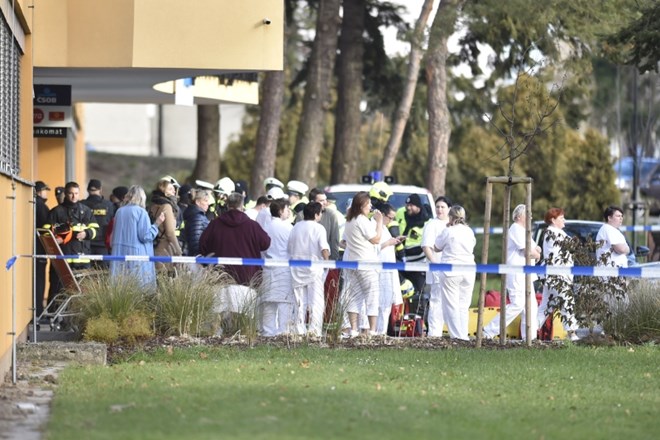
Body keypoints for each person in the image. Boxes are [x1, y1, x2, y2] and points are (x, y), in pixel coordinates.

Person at [483, 204, 541, 341]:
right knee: (517, 304)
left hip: (527, 274)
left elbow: (536, 249)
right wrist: (536, 252)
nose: (531, 217)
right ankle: (488, 331)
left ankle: (530, 339)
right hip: (517, 273)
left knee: (531, 307)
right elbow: (529, 251)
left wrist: (536, 252)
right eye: (529, 214)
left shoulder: (524, 231)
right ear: (519, 216)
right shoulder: (515, 229)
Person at [199, 192, 271, 285]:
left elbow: (203, 245)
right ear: (242, 206)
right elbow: (266, 243)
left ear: (227, 205)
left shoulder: (215, 224)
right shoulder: (252, 226)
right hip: (248, 278)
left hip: (220, 277)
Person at [342, 191, 382, 337]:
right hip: (366, 262)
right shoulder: (362, 220)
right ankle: (372, 330)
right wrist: (379, 222)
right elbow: (376, 239)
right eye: (369, 203)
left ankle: (353, 329)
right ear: (362, 204)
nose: (371, 206)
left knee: (354, 296)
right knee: (372, 295)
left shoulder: (349, 219)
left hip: (352, 262)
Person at [287, 202, 330, 336]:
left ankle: (298, 330)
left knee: (299, 302)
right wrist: (327, 262)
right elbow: (324, 248)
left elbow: (289, 247)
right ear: (317, 214)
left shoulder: (295, 227)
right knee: (316, 302)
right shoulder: (319, 228)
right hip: (314, 269)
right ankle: (314, 331)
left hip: (296, 268)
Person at [433, 205, 476, 340]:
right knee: (464, 306)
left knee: (451, 306)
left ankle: (457, 337)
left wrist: (447, 228)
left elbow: (436, 247)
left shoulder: (449, 231)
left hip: (451, 271)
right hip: (468, 271)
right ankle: (464, 335)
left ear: (451, 217)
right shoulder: (469, 231)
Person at [537, 207, 579, 341]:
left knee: (545, 307)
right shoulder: (554, 234)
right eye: (561, 218)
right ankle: (572, 334)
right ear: (553, 220)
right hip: (558, 276)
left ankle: (530, 331)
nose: (564, 220)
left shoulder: (556, 232)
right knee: (567, 302)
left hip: (553, 276)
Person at [110, 185, 165, 288]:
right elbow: (145, 236)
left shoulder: (119, 211)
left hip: (119, 254)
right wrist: (157, 224)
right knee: (138, 289)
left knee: (121, 287)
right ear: (142, 198)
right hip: (137, 256)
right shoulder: (141, 212)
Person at [261, 199, 295, 336]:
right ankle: (283, 331)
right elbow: (293, 248)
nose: (288, 212)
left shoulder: (265, 228)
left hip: (267, 268)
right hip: (284, 268)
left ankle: (268, 331)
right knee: (284, 302)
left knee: (268, 302)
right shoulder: (288, 228)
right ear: (281, 211)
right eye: (287, 209)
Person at [421, 196, 452, 337]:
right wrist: (435, 264)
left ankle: (453, 332)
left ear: (449, 209)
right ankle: (434, 333)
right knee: (436, 301)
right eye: (438, 207)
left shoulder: (453, 224)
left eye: (443, 207)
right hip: (437, 267)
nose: (440, 210)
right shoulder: (431, 224)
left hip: (452, 270)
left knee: (451, 301)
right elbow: (426, 246)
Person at [375, 203, 406, 335]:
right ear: (382, 214)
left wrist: (394, 240)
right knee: (381, 305)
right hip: (380, 271)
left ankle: (381, 332)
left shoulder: (384, 228)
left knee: (386, 305)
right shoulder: (375, 227)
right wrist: (389, 242)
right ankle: (377, 332)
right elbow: (372, 249)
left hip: (388, 270)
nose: (391, 221)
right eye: (390, 218)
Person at [398, 193, 431, 295]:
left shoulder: (426, 222)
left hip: (418, 264)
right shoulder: (400, 213)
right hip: (399, 260)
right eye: (407, 205)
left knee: (420, 292)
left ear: (418, 206)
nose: (408, 208)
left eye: (411, 205)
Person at [149, 177, 182, 271]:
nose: (174, 191)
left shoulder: (153, 205)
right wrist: (178, 250)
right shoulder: (167, 206)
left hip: (154, 247)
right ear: (164, 192)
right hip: (165, 250)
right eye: (170, 189)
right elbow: (170, 233)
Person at [81, 179, 116, 267]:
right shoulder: (109, 205)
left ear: (88, 190)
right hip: (103, 246)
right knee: (103, 275)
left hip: (85, 245)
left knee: (86, 275)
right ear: (100, 190)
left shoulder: (81, 205)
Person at [34, 181, 51, 318]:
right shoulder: (42, 207)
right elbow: (47, 230)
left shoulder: (32, 204)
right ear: (40, 191)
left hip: (32, 248)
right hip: (39, 249)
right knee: (39, 280)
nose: (47, 193)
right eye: (46, 190)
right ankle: (39, 311)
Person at [183, 189, 212, 257]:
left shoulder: (196, 215)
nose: (208, 203)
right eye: (205, 201)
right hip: (197, 258)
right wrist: (201, 258)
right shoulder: (197, 217)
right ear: (198, 202)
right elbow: (195, 240)